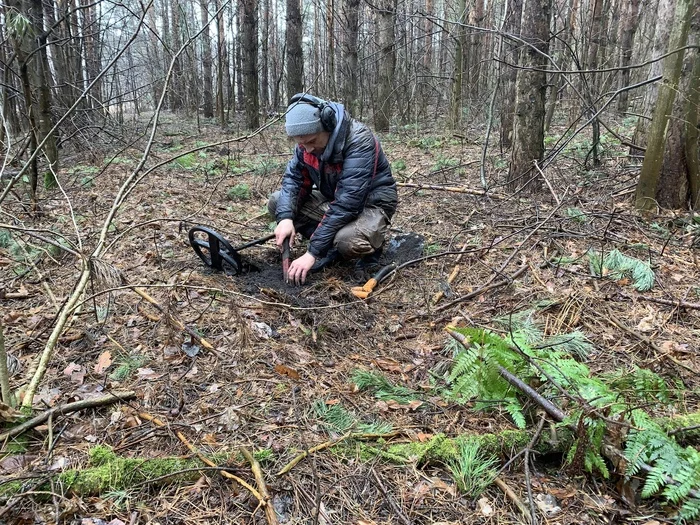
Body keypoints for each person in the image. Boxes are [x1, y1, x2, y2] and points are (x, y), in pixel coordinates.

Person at [268, 94, 398, 285]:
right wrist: (286, 218)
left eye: (312, 141)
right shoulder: (305, 147)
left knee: (347, 241)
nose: (308, 149)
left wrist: (312, 252)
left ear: (327, 126)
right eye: (301, 144)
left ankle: (371, 245)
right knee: (278, 202)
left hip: (371, 204)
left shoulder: (359, 141)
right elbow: (294, 181)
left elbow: (348, 204)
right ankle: (330, 245)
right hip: (335, 199)